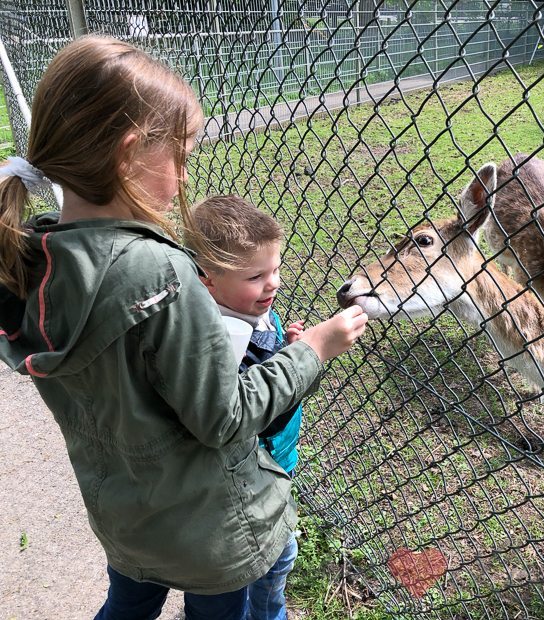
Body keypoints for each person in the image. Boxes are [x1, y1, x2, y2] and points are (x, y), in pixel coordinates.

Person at [0, 35, 368, 620]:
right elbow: (223, 418)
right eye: (183, 155)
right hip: (208, 534)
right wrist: (315, 351)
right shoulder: (160, 272)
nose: (186, 174)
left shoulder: (31, 256)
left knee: (126, 606)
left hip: (124, 516)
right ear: (128, 155)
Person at [187, 195, 306, 619]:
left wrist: (288, 351)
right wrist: (300, 364)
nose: (272, 283)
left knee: (273, 567)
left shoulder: (251, 307)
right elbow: (258, 415)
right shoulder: (221, 342)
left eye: (275, 269)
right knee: (267, 569)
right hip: (245, 482)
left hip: (273, 469)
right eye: (257, 275)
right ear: (208, 281)